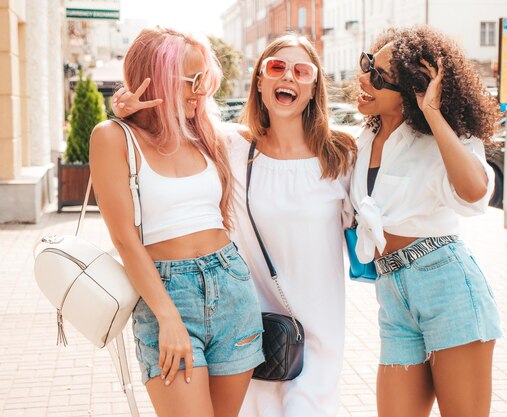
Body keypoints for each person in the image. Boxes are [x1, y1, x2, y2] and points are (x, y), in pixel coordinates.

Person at [111, 33, 356, 417]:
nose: (288, 76)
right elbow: (164, 132)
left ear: (314, 86)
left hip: (316, 330)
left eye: (301, 70)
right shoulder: (230, 146)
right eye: (276, 67)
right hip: (254, 317)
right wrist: (128, 110)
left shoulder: (341, 156)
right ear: (260, 81)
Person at [90, 27, 264, 417]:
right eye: (193, 80)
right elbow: (124, 240)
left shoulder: (207, 134)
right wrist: (167, 318)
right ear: (157, 77)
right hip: (165, 293)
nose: (202, 91)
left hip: (232, 287)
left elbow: (284, 139)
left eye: (206, 80)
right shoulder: (113, 137)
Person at [350, 27, 502, 417]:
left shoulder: (441, 140)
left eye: (381, 77)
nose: (365, 78)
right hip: (392, 295)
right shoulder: (360, 142)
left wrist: (433, 113)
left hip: (445, 285)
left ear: (413, 92)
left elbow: (474, 193)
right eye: (369, 64)